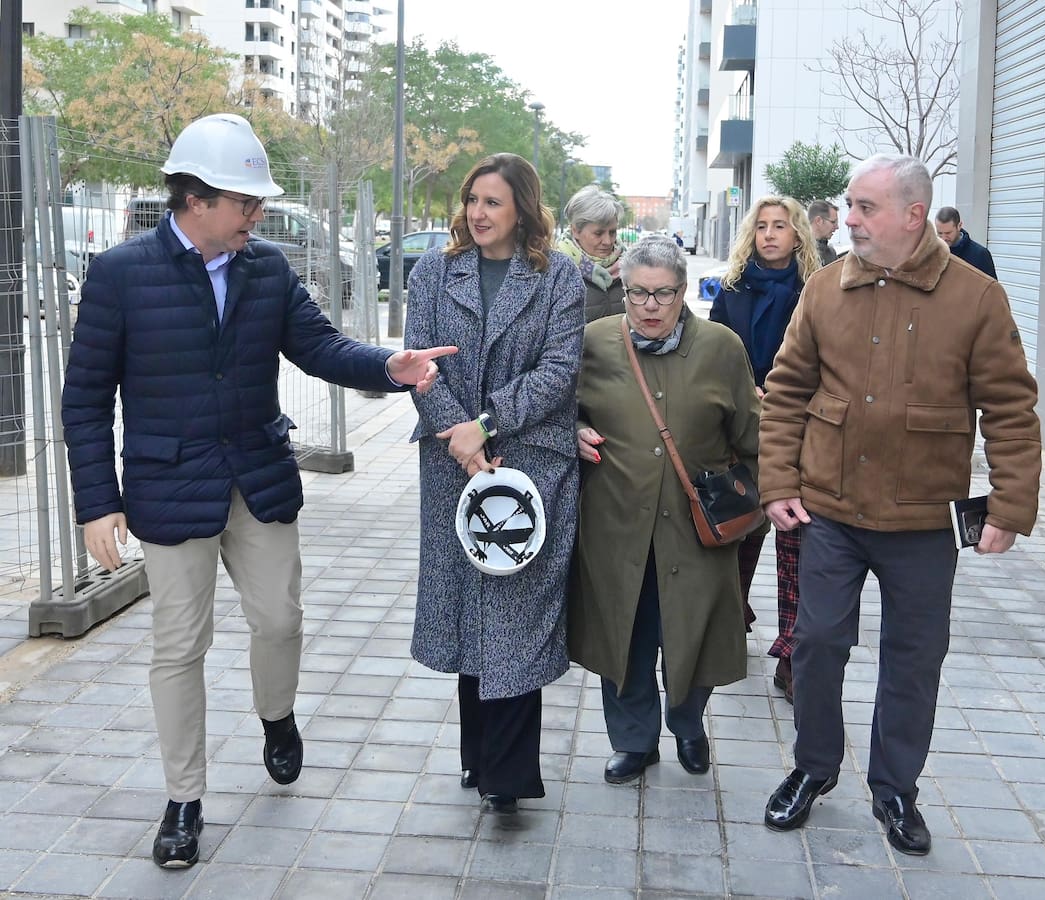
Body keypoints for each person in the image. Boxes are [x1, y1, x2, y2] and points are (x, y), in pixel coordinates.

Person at [60, 113, 454, 869]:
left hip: (258, 477)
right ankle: (183, 798)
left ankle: (277, 717)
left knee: (279, 620)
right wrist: (97, 502)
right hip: (169, 485)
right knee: (180, 644)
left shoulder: (266, 268)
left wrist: (387, 366)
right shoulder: (119, 274)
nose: (258, 215)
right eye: (247, 202)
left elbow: (317, 346)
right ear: (197, 199)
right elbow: (84, 399)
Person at [759, 154, 1040, 855]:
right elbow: (787, 389)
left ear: (914, 215)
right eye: (849, 206)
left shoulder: (976, 298)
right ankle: (814, 767)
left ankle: (895, 789)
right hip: (831, 509)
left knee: (914, 659)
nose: (846, 218)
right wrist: (778, 484)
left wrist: (1009, 506)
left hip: (922, 520)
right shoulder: (825, 288)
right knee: (817, 643)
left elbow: (1010, 407)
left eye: (863, 207)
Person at [405, 153, 585, 815]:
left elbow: (559, 370)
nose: (478, 213)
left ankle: (507, 776)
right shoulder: (434, 270)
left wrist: (485, 423)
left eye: (493, 202)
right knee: (468, 609)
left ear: (523, 210)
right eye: (472, 200)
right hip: (452, 464)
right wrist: (457, 432)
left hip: (530, 464)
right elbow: (419, 364)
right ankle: (477, 755)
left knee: (513, 614)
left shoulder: (557, 277)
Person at [571, 236, 759, 785]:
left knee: (692, 629)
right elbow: (558, 408)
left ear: (683, 293)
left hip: (697, 525)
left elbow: (753, 435)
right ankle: (633, 740)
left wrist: (752, 509)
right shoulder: (593, 344)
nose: (649, 306)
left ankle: (688, 723)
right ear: (623, 291)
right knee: (623, 631)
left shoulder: (721, 347)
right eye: (637, 294)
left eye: (664, 294)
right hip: (615, 522)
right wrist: (573, 430)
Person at [708, 196, 819, 704]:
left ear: (799, 234)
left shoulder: (819, 289)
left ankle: (795, 654)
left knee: (797, 541)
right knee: (738, 531)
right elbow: (709, 352)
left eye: (781, 226)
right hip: (740, 428)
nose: (770, 234)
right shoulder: (732, 291)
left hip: (804, 430)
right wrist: (742, 389)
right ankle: (730, 619)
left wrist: (788, 393)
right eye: (761, 227)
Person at [557, 185, 627, 321]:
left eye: (612, 232)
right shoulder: (558, 271)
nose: (607, 241)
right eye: (598, 233)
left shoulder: (631, 268)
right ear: (576, 231)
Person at [934, 206, 997, 278]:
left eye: (948, 233)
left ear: (959, 226)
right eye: (940, 233)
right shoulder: (932, 253)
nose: (943, 238)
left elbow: (992, 288)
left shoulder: (981, 255)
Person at [807, 200, 840, 267]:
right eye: (833, 222)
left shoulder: (831, 252)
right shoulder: (798, 253)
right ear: (818, 221)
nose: (837, 227)